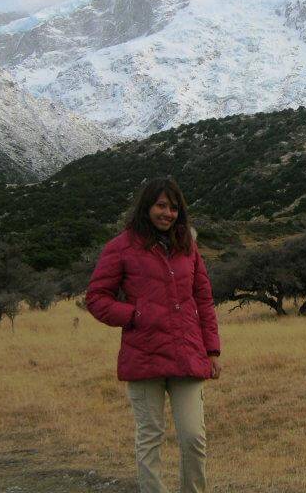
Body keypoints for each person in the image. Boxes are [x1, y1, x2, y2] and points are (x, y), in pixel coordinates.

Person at [86, 177, 221, 493]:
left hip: (187, 352)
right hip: (144, 354)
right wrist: (134, 314)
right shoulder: (120, 246)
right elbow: (96, 297)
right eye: (161, 205)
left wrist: (212, 350)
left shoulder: (188, 245)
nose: (168, 213)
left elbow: (203, 297)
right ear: (146, 206)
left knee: (193, 438)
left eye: (174, 208)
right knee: (150, 437)